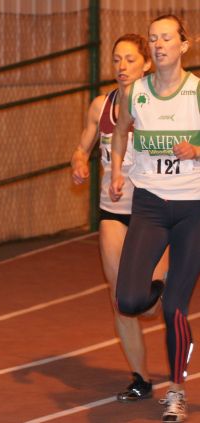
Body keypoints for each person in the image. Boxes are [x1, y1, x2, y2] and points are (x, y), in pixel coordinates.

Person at [110, 15, 200, 422]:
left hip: (192, 208)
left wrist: (196, 150)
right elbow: (122, 132)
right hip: (149, 204)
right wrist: (115, 170)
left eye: (167, 38)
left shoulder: (197, 92)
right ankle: (163, 287)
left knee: (175, 310)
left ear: (185, 45)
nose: (159, 44)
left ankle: (176, 392)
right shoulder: (136, 92)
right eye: (153, 39)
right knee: (127, 299)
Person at [71, 33, 168, 403]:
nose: (122, 67)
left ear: (146, 64)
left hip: (155, 211)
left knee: (149, 303)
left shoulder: (160, 108)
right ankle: (140, 379)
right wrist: (79, 163)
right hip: (114, 212)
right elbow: (81, 149)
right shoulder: (101, 106)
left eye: (130, 59)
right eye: (116, 60)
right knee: (121, 301)